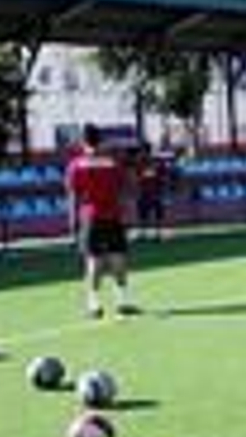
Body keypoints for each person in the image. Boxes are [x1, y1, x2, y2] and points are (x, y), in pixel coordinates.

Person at [65, 124, 138, 319]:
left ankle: (94, 305)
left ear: (83, 141)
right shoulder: (112, 163)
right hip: (114, 216)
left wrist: (72, 224)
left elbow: (73, 197)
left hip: (91, 217)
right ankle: (123, 301)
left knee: (94, 260)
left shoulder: (76, 165)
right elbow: (126, 188)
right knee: (118, 258)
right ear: (101, 140)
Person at [133, 141, 171, 240]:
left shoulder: (156, 162)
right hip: (144, 192)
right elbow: (138, 176)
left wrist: (161, 183)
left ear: (147, 151)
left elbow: (163, 175)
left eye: (143, 150)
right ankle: (143, 233)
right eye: (141, 151)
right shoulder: (139, 162)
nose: (141, 153)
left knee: (158, 213)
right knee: (142, 213)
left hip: (155, 192)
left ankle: (159, 233)